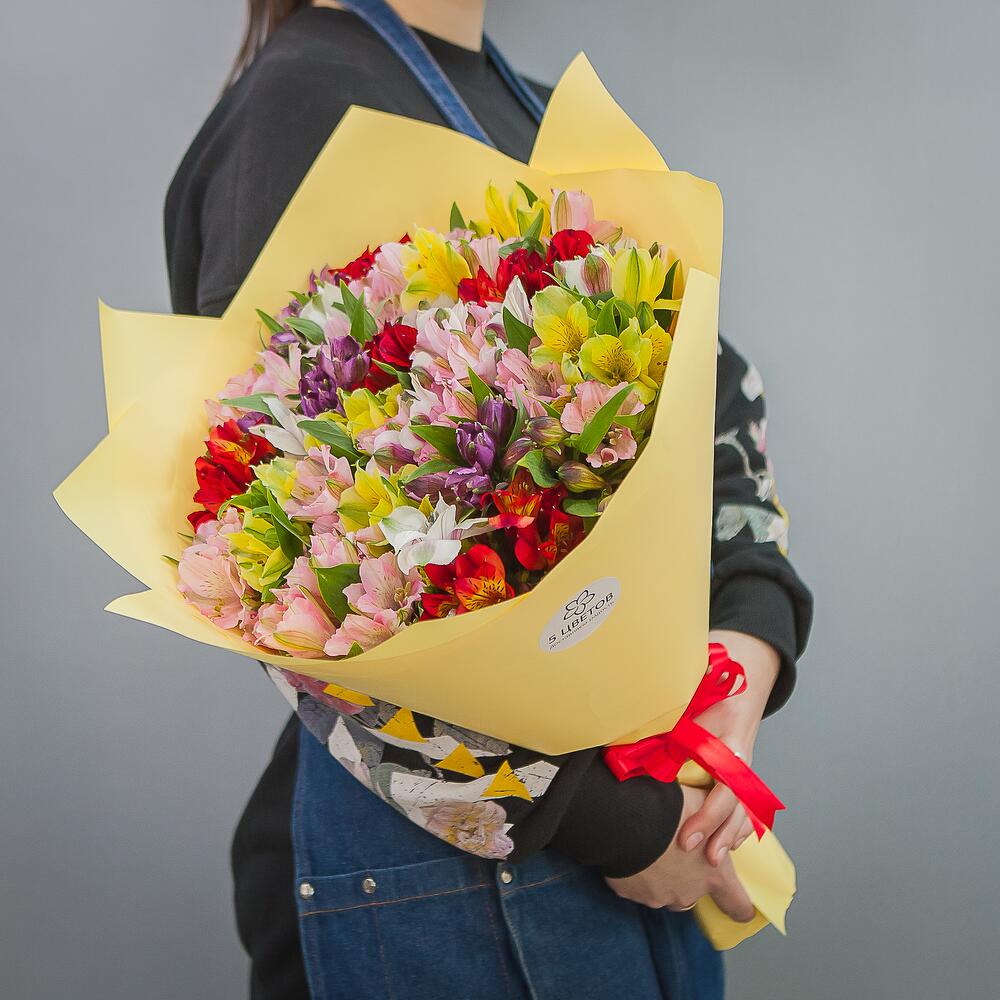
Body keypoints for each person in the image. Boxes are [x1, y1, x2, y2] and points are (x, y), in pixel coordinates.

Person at [165, 2, 814, 997]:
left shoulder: (536, 111)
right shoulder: (300, 109)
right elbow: (286, 573)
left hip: (638, 828)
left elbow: (713, 393)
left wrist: (743, 646)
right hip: (455, 888)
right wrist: (618, 824)